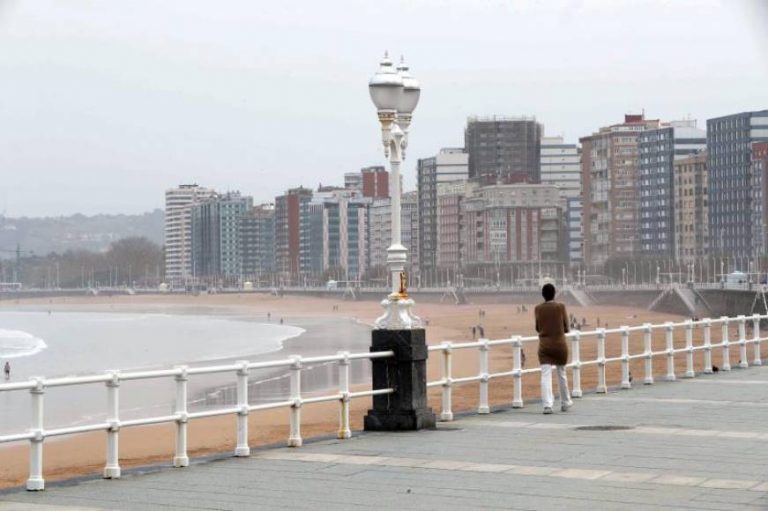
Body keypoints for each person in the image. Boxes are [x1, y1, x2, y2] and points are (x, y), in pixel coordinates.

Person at [534, 284, 573, 414]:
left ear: (543, 295)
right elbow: (567, 328)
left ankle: (547, 405)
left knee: (545, 375)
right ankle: (565, 402)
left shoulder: (538, 309)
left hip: (545, 346)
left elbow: (538, 328)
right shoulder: (560, 307)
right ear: (554, 293)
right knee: (561, 373)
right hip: (560, 345)